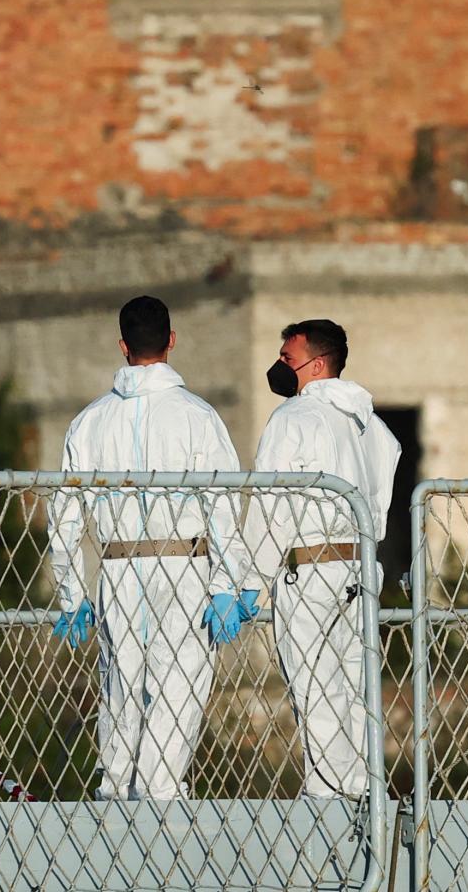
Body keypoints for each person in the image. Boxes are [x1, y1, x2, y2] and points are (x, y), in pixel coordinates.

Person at [45, 295, 257, 801]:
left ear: (122, 346)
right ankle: (161, 797)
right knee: (178, 687)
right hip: (185, 562)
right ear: (172, 340)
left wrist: (73, 593)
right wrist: (230, 583)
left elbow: (66, 515)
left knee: (120, 692)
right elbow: (221, 505)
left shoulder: (90, 421)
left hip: (117, 566)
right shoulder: (198, 416)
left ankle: (115, 794)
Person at [254, 318, 399, 798]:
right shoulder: (368, 423)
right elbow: (379, 499)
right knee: (356, 691)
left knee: (316, 689)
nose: (280, 366)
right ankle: (363, 793)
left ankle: (329, 801)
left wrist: (248, 579)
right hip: (359, 565)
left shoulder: (292, 419)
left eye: (287, 359)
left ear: (316, 365)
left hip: (309, 567)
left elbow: (269, 506)